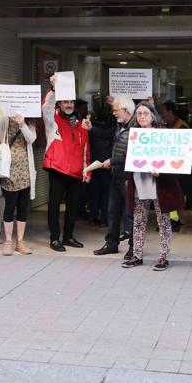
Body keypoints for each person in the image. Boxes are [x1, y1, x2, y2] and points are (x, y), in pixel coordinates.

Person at [122, 101, 184, 271]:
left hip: (159, 184)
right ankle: (137, 255)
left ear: (152, 115)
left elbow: (172, 158)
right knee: (139, 220)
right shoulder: (133, 134)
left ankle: (163, 257)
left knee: (163, 221)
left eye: (145, 113)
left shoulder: (162, 133)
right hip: (139, 181)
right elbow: (128, 157)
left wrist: (161, 171)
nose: (142, 116)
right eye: (139, 113)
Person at [0, 101, 37, 256]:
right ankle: (8, 242)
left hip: (25, 169)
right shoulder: (3, 118)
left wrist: (22, 124)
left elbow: (31, 139)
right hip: (8, 169)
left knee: (23, 205)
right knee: (10, 205)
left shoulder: (30, 120)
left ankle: (20, 242)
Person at [42, 74, 91, 252]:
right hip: (57, 169)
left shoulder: (81, 125)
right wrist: (54, 89)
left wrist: (87, 172)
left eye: (71, 102)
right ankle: (55, 238)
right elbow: (46, 107)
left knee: (73, 206)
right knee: (54, 205)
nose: (68, 105)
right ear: (59, 104)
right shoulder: (52, 121)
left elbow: (86, 150)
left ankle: (68, 236)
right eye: (65, 102)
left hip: (77, 171)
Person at [159, 100, 192, 230]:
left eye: (163, 112)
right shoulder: (170, 125)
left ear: (170, 112)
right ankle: (174, 222)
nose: (162, 115)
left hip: (184, 169)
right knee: (171, 194)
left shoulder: (182, 126)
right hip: (174, 168)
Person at [92, 96, 135, 257]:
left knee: (131, 214)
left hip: (129, 178)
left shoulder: (137, 129)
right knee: (112, 211)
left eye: (116, 110)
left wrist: (112, 161)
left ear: (125, 110)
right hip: (117, 176)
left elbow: (133, 155)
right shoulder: (120, 126)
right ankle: (111, 244)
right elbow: (105, 134)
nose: (113, 113)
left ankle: (133, 248)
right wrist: (91, 129)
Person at [84, 99, 116, 227]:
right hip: (107, 159)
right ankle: (104, 218)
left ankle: (93, 216)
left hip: (95, 159)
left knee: (95, 191)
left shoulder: (91, 121)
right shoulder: (113, 124)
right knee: (106, 191)